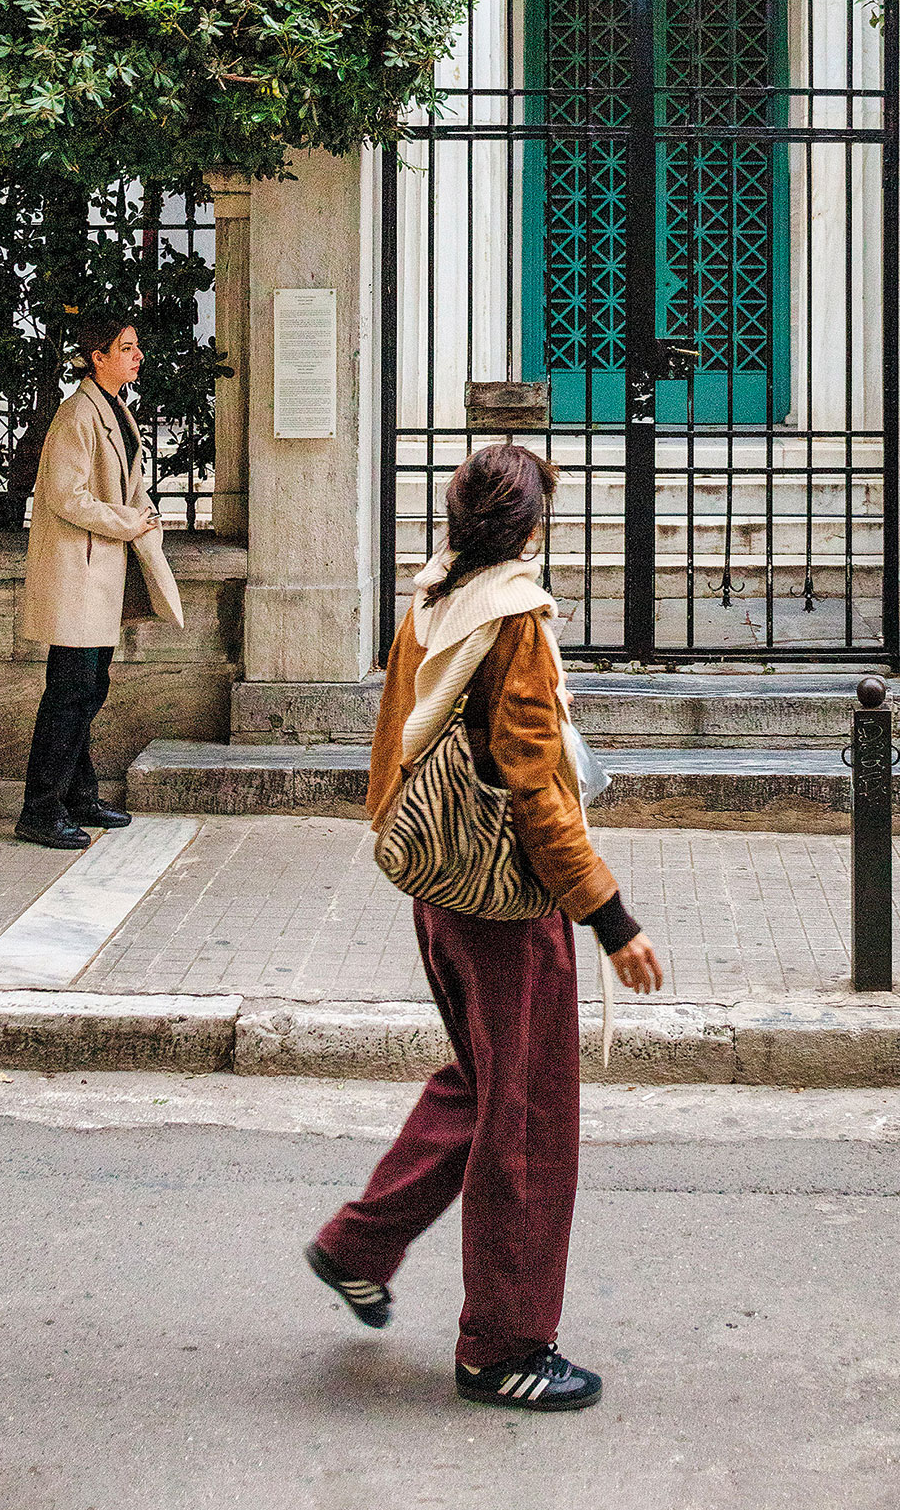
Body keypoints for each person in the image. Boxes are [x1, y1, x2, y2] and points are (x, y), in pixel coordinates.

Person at [306, 443, 662, 1412]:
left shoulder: (433, 600)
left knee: (481, 1083)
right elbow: (536, 791)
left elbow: (394, 739)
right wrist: (610, 918)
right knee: (531, 1118)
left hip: (442, 889)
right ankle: (503, 1346)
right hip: (507, 905)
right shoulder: (513, 621)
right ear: (530, 527)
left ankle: (359, 1244)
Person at [14, 314, 183, 850]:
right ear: (98, 357)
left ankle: (78, 796)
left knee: (87, 689)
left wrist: (143, 516)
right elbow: (65, 496)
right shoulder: (76, 415)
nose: (137, 356)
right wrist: (128, 521)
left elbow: (128, 485)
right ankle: (40, 809)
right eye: (126, 348)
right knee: (70, 693)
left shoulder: (114, 410)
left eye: (136, 347)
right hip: (77, 572)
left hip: (96, 571)